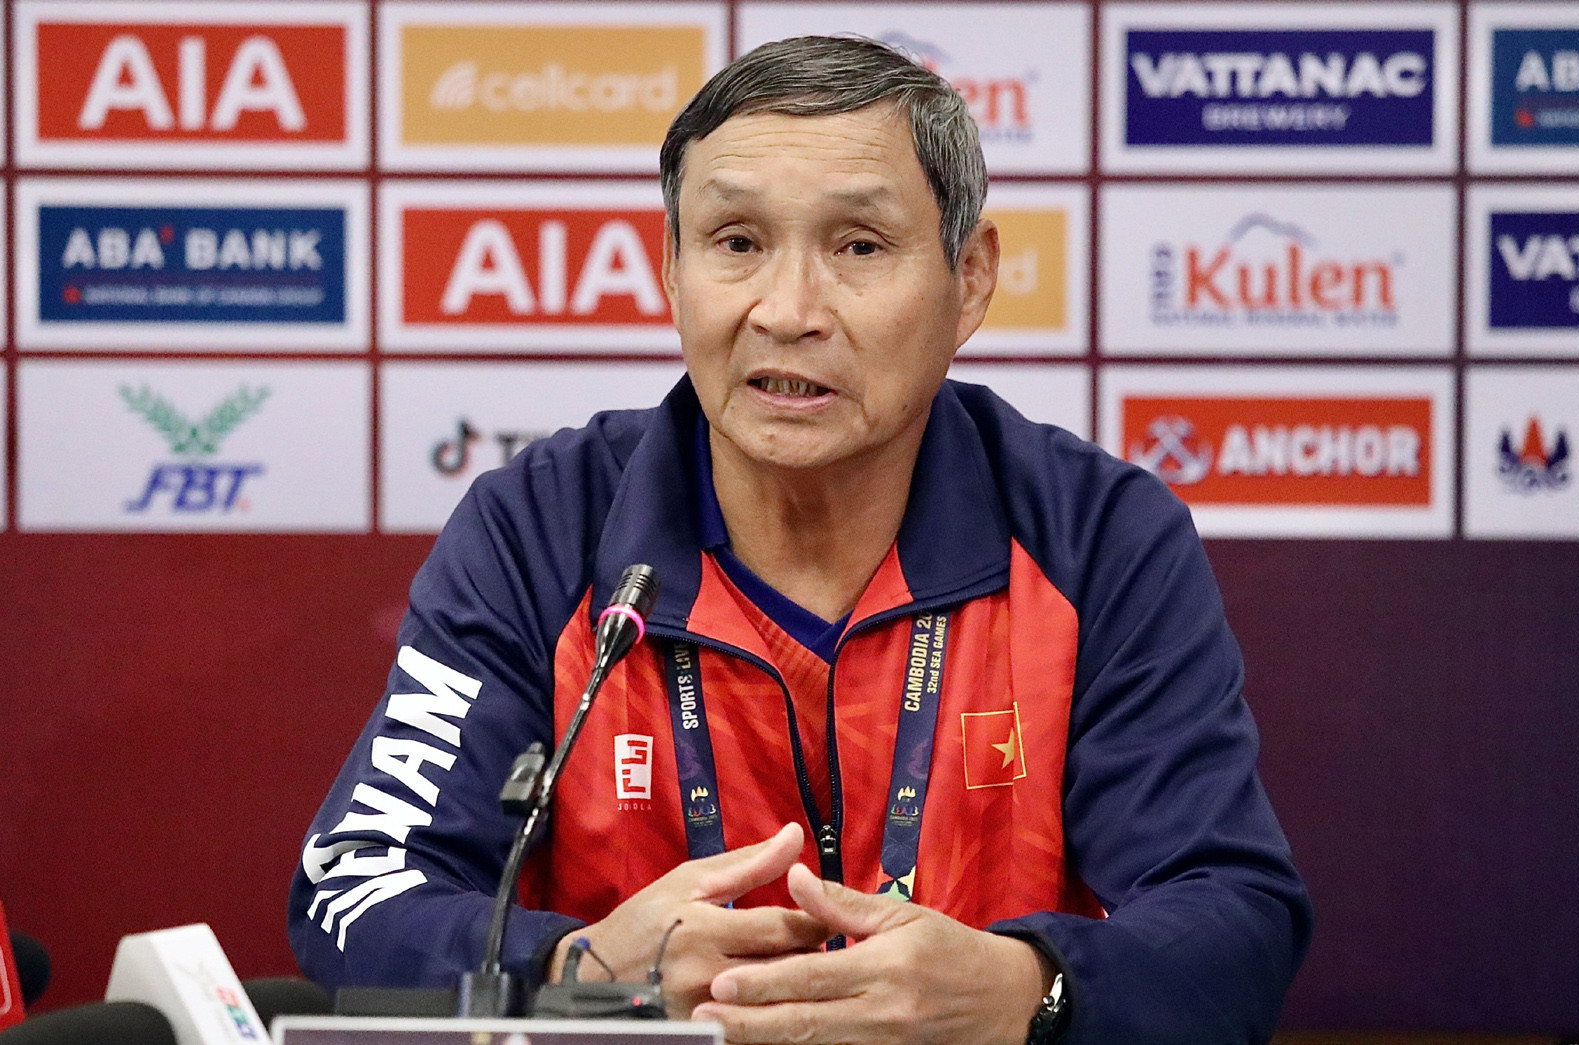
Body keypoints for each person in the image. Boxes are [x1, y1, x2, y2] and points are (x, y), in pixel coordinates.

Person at [289, 35, 1311, 1044]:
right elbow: (357, 891)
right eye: (736, 242)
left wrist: (1023, 988)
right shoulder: (542, 527)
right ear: (672, 269)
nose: (787, 311)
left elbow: (1233, 919)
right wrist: (575, 972)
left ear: (969, 278)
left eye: (858, 247)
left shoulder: (1093, 536)